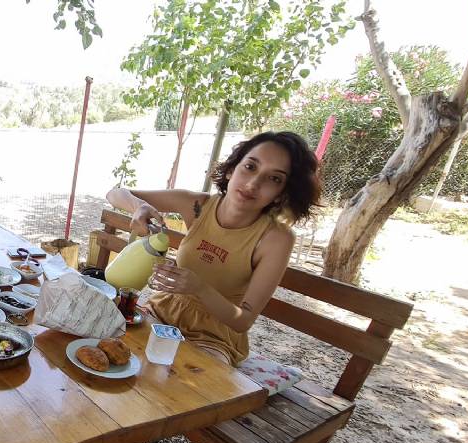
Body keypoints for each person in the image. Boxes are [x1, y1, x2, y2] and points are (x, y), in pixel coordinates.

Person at [106, 131, 321, 367]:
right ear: (231, 169)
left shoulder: (276, 238)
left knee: (193, 386)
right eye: (250, 166)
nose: (253, 184)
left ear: (282, 193)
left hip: (214, 337)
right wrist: (140, 206)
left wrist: (199, 287)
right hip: (161, 311)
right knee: (111, 346)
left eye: (275, 179)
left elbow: (243, 321)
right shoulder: (197, 205)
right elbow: (115, 193)